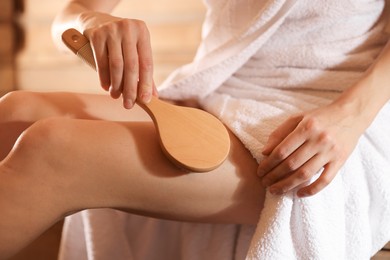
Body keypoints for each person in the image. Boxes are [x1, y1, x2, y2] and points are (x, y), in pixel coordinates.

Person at [1, 0, 390, 259]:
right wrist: (92, 22)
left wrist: (349, 117)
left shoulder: (347, 114)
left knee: (54, 150)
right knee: (15, 113)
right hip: (218, 91)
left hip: (340, 112)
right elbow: (73, 12)